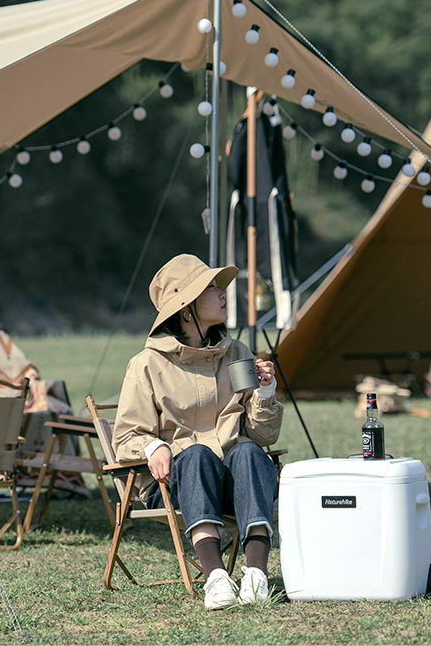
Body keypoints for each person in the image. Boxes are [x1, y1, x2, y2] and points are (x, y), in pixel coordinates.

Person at [112, 253, 283, 609]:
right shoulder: (147, 364)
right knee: (197, 455)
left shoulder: (237, 353)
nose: (223, 294)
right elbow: (126, 436)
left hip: (234, 480)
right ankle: (215, 577)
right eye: (211, 288)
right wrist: (153, 447)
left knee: (249, 451)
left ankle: (256, 574)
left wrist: (265, 393)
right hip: (175, 484)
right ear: (186, 308)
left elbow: (262, 436)